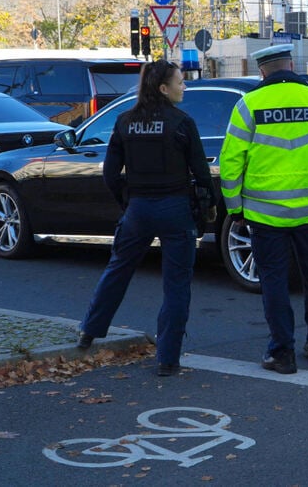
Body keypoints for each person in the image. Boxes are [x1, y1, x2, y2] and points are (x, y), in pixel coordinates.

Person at [77, 59, 212, 378]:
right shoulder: (182, 122)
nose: (183, 87)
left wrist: (128, 201)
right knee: (176, 284)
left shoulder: (124, 121)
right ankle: (168, 359)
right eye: (180, 82)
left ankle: (89, 331)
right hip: (176, 209)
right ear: (163, 88)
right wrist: (208, 206)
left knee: (117, 269)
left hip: (138, 208)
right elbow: (202, 173)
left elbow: (110, 174)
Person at [219, 44, 308, 375]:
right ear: (291, 64)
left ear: (263, 71)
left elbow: (231, 163)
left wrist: (235, 208)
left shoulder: (248, 104)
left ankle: (282, 353)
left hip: (266, 214)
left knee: (275, 281)